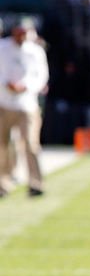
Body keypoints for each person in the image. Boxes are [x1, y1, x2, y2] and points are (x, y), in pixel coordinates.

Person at [0, 19, 49, 198]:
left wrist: (26, 86)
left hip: (27, 104)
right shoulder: (2, 48)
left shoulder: (35, 51)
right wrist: (6, 84)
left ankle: (35, 183)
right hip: (4, 103)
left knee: (30, 143)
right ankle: (2, 183)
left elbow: (42, 76)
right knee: (3, 145)